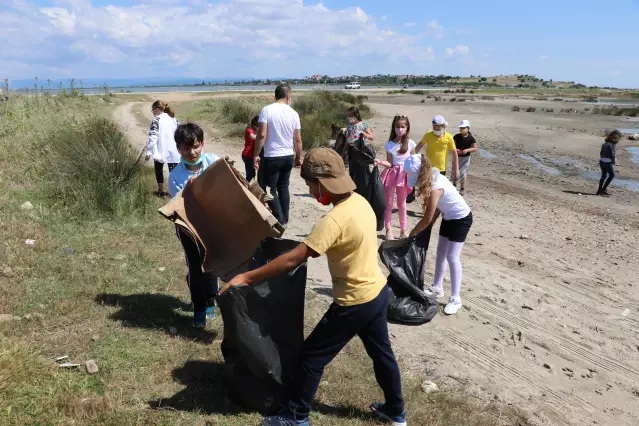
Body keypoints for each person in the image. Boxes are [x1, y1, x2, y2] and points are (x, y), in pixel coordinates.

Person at [220, 148, 406, 426]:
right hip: (377, 292)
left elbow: (295, 258)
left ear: (322, 184)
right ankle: (396, 411)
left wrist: (246, 278)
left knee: (311, 358)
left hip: (354, 302)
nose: (310, 190)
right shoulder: (360, 203)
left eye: (309, 185)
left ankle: (297, 417)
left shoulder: (334, 220)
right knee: (382, 355)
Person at [168, 123, 220, 328]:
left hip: (213, 225)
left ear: (203, 144)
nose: (192, 152)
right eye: (186, 148)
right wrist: (190, 193)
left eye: (196, 146)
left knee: (211, 264)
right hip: (188, 228)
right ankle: (198, 308)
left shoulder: (214, 162)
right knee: (195, 268)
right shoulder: (176, 177)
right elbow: (178, 209)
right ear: (179, 149)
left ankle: (210, 300)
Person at [406, 154, 472, 316]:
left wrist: (413, 232)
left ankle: (456, 299)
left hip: (461, 219)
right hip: (448, 217)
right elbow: (436, 210)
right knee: (441, 253)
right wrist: (428, 226)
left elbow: (427, 217)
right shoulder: (433, 177)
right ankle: (437, 287)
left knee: (452, 257)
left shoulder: (437, 186)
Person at [254, 84, 303, 227]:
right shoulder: (294, 113)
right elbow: (298, 139)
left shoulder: (267, 110)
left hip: (272, 155)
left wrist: (256, 154)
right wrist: (298, 157)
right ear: (288, 96)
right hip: (288, 155)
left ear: (275, 95)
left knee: (270, 189)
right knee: (283, 187)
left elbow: (261, 134)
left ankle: (280, 220)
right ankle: (284, 218)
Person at [374, 115, 416, 240]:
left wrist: (416, 175)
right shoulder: (389, 145)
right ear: (394, 128)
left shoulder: (410, 144)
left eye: (402, 126)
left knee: (402, 204)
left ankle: (404, 230)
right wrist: (380, 162)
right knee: (388, 203)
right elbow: (390, 163)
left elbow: (414, 161)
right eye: (397, 127)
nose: (400, 129)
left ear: (407, 128)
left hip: (404, 176)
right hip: (392, 175)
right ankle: (388, 230)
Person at [146, 100, 180, 197]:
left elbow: (153, 135)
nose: (152, 112)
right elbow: (179, 132)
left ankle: (161, 190)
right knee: (173, 172)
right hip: (174, 149)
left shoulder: (156, 119)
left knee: (158, 169)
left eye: (152, 110)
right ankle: (176, 192)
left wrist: (149, 151)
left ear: (156, 109)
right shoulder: (173, 119)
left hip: (161, 149)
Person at [415, 114, 459, 181]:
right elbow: (419, 146)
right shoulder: (428, 135)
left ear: (443, 126)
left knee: (438, 187)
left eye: (438, 127)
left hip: (441, 168)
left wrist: (456, 169)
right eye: (434, 127)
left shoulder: (449, 137)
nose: (436, 129)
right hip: (428, 167)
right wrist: (410, 156)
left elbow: (454, 153)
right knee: (428, 187)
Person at [453, 120, 477, 196]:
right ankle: (454, 186)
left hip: (465, 158)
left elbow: (474, 148)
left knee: (463, 173)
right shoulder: (456, 136)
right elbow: (451, 145)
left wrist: (467, 150)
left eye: (463, 128)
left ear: (468, 128)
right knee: (454, 172)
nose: (462, 129)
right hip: (456, 157)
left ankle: (462, 188)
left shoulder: (471, 138)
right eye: (461, 128)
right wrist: (456, 149)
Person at [597, 130, 621, 196]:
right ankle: (603, 190)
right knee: (612, 175)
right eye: (619, 138)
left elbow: (601, 153)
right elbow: (612, 155)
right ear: (615, 138)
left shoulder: (604, 144)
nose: (618, 140)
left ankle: (599, 190)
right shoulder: (612, 145)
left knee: (603, 176)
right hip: (608, 162)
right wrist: (613, 161)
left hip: (601, 161)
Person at [242, 115, 259, 182]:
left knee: (252, 174)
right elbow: (253, 137)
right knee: (250, 176)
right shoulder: (249, 129)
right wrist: (262, 136)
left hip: (252, 155)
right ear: (255, 124)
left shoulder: (255, 130)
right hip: (248, 155)